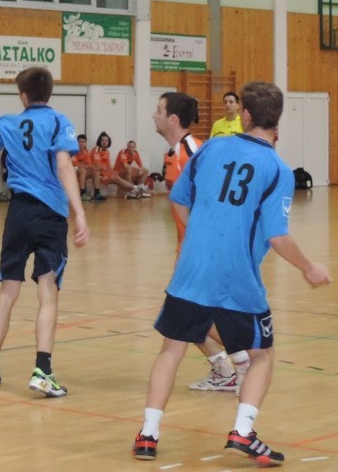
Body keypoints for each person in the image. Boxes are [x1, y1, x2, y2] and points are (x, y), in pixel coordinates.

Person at [133, 81, 332, 465]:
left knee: (171, 349)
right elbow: (277, 236)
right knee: (262, 355)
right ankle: (242, 431)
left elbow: (179, 200)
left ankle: (148, 435)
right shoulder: (277, 168)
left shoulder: (212, 148)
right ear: (277, 119)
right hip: (237, 277)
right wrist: (309, 267)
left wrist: (200, 238)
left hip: (192, 269)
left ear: (245, 114)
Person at [0, 66, 89, 396]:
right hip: (50, 214)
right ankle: (42, 370)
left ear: (22, 96)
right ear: (49, 92)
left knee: (8, 290)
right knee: (47, 292)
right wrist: (79, 214)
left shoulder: (5, 123)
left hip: (18, 212)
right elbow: (64, 165)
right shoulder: (59, 121)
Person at [153, 91, 247, 391]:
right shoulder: (172, 154)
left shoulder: (193, 151)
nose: (154, 115)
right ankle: (225, 369)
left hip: (202, 248)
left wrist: (205, 241)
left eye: (158, 110)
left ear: (173, 119)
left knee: (184, 314)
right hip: (188, 247)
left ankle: (245, 358)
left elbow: (218, 195)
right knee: (188, 314)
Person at [91, 132, 144, 199]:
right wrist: (110, 173)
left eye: (106, 140)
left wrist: (112, 173)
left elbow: (108, 166)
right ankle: (137, 189)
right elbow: (98, 165)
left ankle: (136, 189)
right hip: (98, 174)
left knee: (118, 178)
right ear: (99, 141)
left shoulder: (107, 151)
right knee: (119, 177)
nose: (104, 142)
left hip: (106, 173)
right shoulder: (96, 149)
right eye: (102, 140)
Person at [71, 133, 100, 202]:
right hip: (72, 173)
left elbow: (89, 165)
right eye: (79, 141)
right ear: (76, 142)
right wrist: (88, 166)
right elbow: (76, 165)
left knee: (95, 171)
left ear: (85, 143)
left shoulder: (85, 152)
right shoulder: (72, 151)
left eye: (83, 142)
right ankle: (82, 193)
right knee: (82, 170)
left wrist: (94, 167)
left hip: (81, 174)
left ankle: (97, 193)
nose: (81, 144)